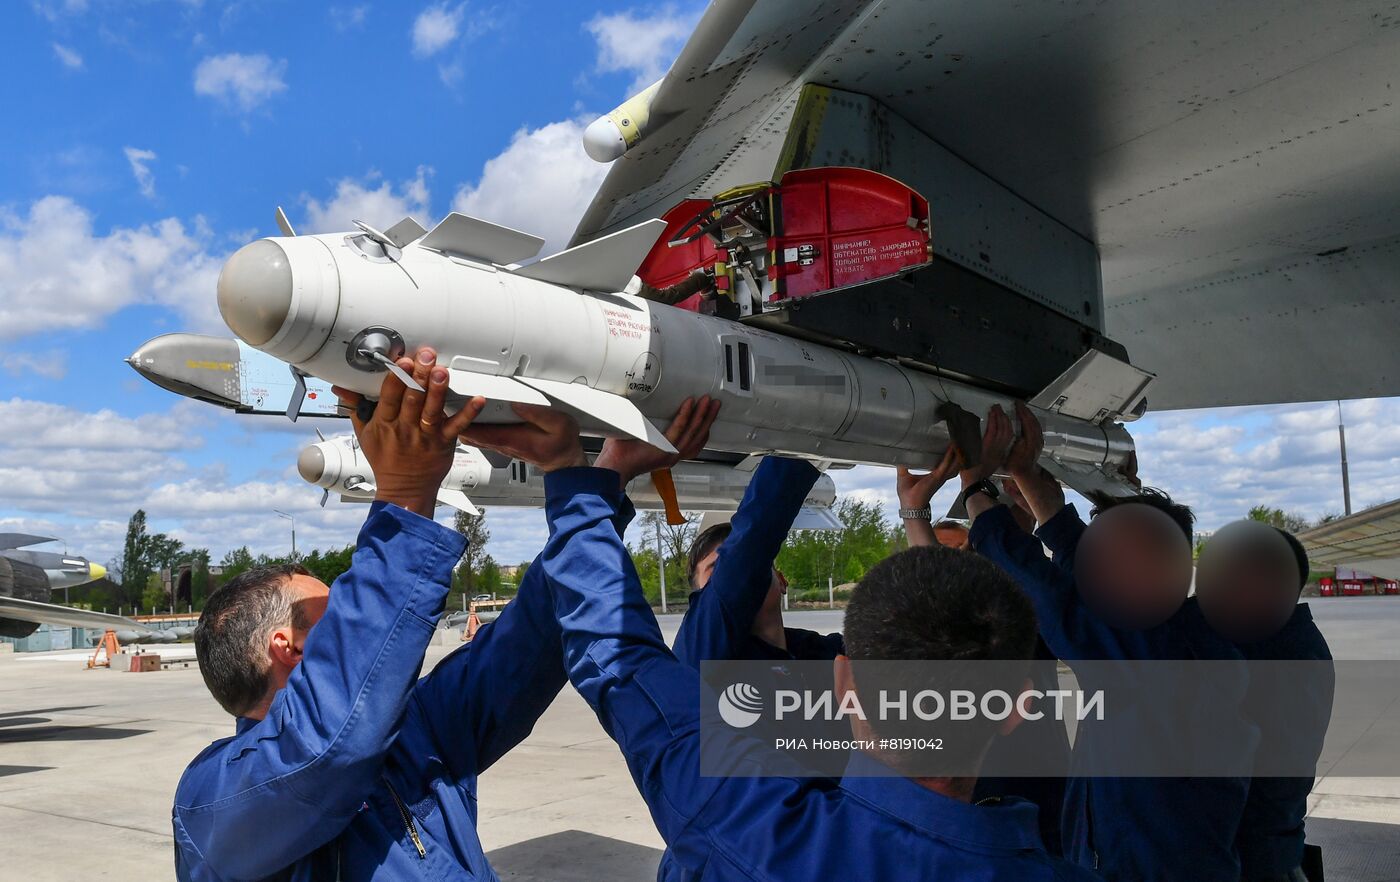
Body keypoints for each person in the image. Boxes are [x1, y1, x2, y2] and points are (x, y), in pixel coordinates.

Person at [471, 409, 1102, 881]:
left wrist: (586, 482)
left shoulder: (750, 823)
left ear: (845, 683)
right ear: (1020, 704)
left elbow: (617, 654)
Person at [172, 349, 708, 881]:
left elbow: (532, 637)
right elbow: (330, 747)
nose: (355, 620)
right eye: (336, 614)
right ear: (287, 647)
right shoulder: (213, 803)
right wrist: (405, 497)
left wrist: (595, 478)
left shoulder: (413, 733)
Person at [962, 402, 1255, 882]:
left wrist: (977, 489)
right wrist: (1030, 478)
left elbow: (1049, 592)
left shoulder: (1147, 663)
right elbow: (1093, 572)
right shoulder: (1187, 635)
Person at [897, 451, 1071, 855]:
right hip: (979, 792)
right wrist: (915, 512)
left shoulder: (1031, 610)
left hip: (1038, 786)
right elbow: (939, 594)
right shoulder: (939, 623)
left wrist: (1036, 512)